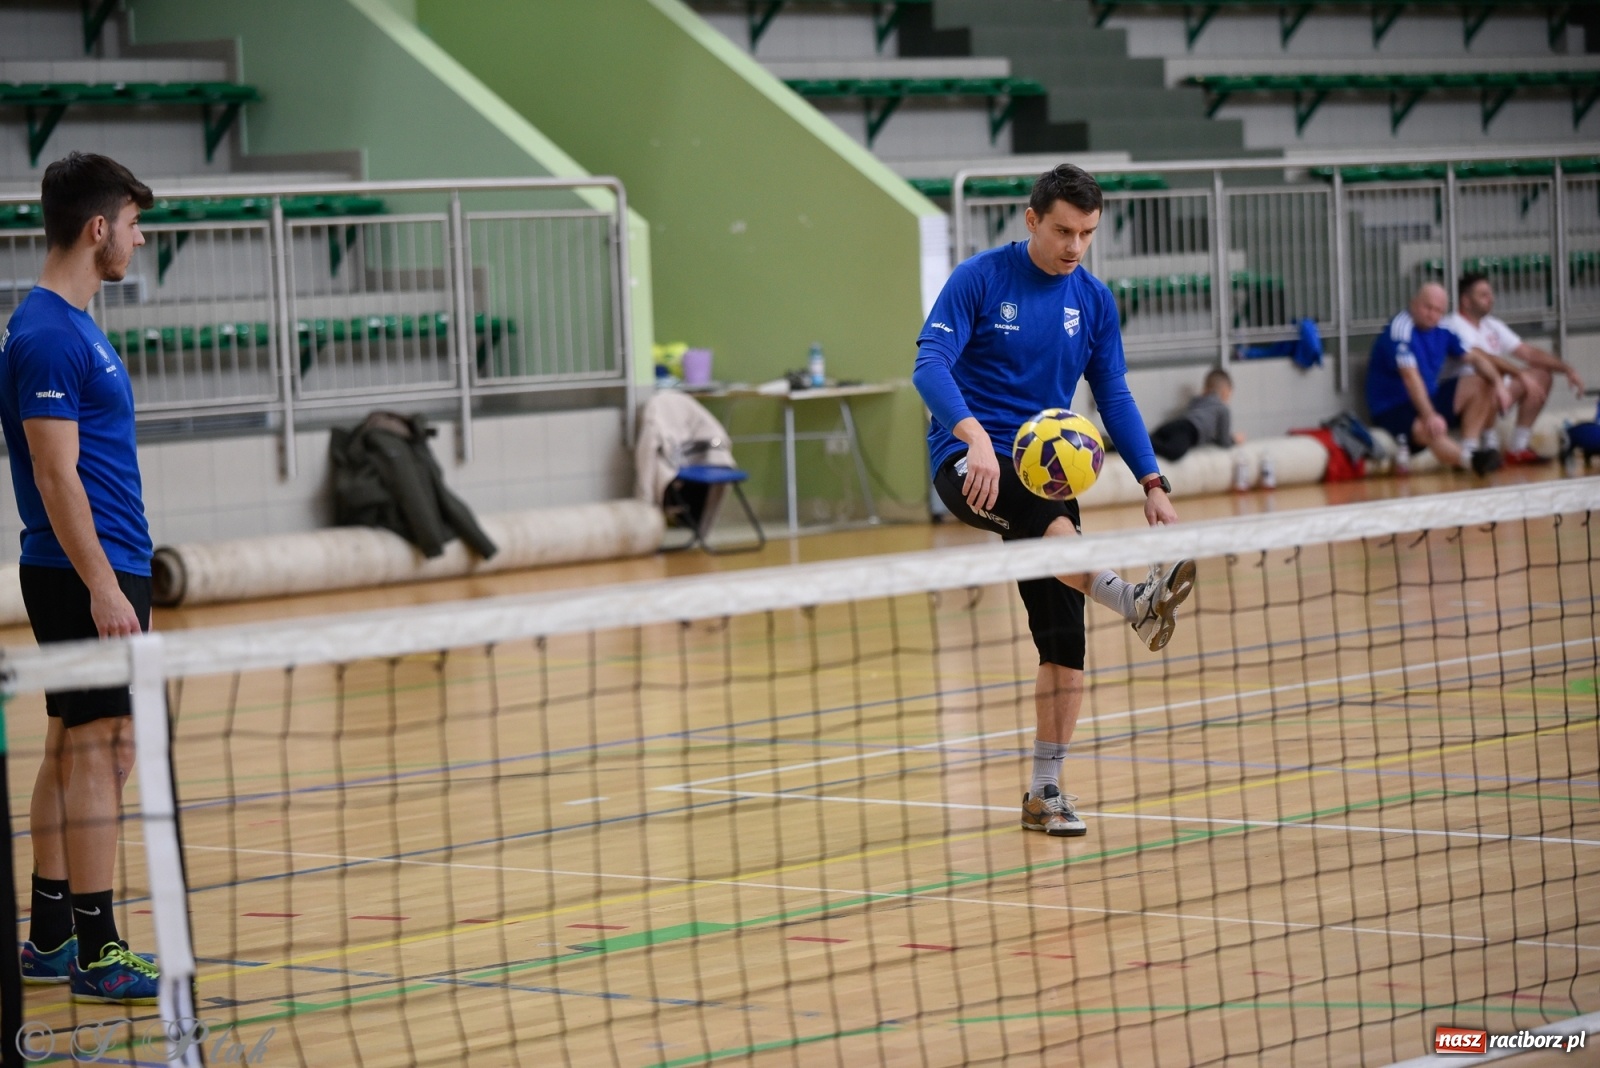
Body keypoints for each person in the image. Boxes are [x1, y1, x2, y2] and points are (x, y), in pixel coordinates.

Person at [912, 163, 1194, 841]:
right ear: (1032, 219)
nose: (1074, 246)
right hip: (970, 463)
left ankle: (1045, 791)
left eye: (1087, 234)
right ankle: (1132, 599)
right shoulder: (980, 278)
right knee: (1047, 523)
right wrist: (973, 434)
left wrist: (1152, 482)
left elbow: (1114, 393)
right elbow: (929, 363)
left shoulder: (1093, 301)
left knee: (1065, 640)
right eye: (1063, 230)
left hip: (1050, 474)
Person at [0, 153, 160, 1004]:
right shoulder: (48, 336)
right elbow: (54, 475)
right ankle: (100, 950)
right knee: (105, 746)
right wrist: (102, 585)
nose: (138, 239)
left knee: (75, 743)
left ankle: (52, 935)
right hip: (82, 570)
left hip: (99, 565)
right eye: (133, 223)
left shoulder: (69, 326)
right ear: (98, 229)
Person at [1365, 281, 1507, 477]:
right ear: (1413, 303)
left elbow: (1474, 357)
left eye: (1438, 310)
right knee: (1429, 428)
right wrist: (1430, 415)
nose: (1432, 314)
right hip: (1393, 407)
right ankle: (1471, 461)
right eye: (1427, 307)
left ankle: (1470, 446)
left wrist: (1498, 383)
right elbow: (1411, 378)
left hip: (1427, 397)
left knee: (1481, 381)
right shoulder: (1400, 329)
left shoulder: (1443, 329)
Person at [1444, 272, 1584, 465]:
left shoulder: (1492, 325)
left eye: (1490, 294)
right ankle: (1476, 449)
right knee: (1487, 378)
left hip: (1496, 394)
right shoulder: (1453, 325)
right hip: (1464, 399)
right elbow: (1484, 358)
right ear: (1466, 301)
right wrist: (1519, 374)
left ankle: (1518, 447)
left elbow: (1528, 352)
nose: (1490, 299)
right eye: (1483, 295)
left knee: (1541, 375)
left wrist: (1567, 369)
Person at [1149, 367, 1245, 462]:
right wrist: (1234, 440)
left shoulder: (1197, 401)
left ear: (1205, 389)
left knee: (1151, 440)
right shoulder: (1223, 409)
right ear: (1226, 392)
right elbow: (1224, 442)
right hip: (1190, 431)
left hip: (1175, 424)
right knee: (1174, 452)